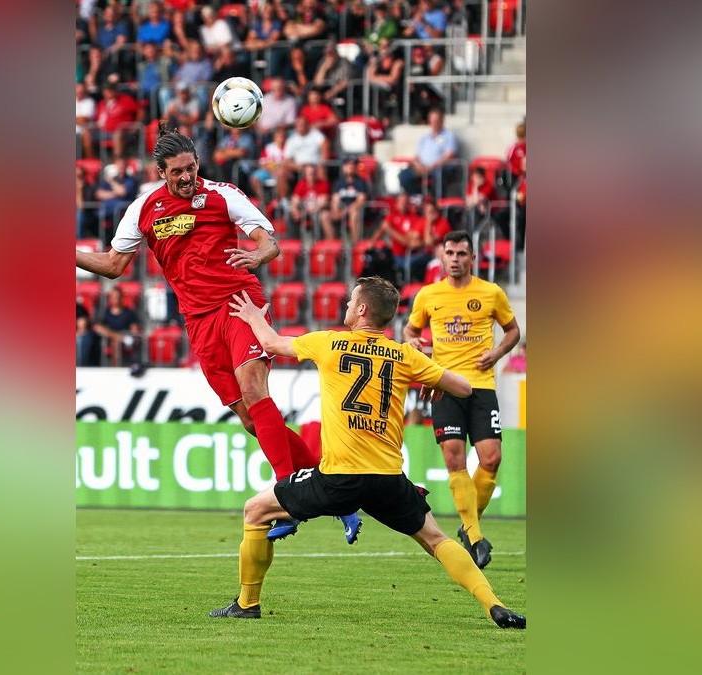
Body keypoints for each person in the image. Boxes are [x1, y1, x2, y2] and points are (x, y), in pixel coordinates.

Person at [75, 123, 360, 543]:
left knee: (254, 389)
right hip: (199, 322)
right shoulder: (143, 209)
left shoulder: (223, 194)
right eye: (177, 172)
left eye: (191, 168)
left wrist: (258, 255)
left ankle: (287, 496)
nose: (187, 177)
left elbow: (269, 242)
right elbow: (115, 265)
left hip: (239, 305)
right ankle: (338, 492)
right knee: (250, 418)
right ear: (161, 172)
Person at [210, 277, 526, 629]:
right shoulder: (406, 355)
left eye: (350, 301)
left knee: (255, 511)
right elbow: (464, 387)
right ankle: (494, 604)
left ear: (361, 310)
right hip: (388, 480)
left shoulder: (330, 343)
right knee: (436, 539)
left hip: (339, 477)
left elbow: (270, 341)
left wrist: (253, 315)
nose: (346, 305)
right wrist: (435, 382)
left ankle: (247, 603)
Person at [401, 231, 522, 569]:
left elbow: (513, 331)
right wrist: (415, 346)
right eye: (450, 253)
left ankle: (470, 527)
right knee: (455, 461)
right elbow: (410, 332)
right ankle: (476, 535)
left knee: (491, 458)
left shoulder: (490, 293)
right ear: (442, 256)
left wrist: (497, 353)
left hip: (482, 384)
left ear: (473, 257)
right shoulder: (428, 295)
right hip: (445, 385)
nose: (455, 259)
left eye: (461, 254)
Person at [399, 108, 458, 198]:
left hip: (440, 168)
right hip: (423, 168)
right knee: (404, 175)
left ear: (442, 121)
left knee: (438, 173)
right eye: (432, 121)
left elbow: (450, 155)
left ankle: (437, 203)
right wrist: (418, 165)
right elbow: (416, 156)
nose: (434, 123)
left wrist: (432, 166)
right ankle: (418, 199)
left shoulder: (449, 136)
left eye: (437, 120)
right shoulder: (425, 138)